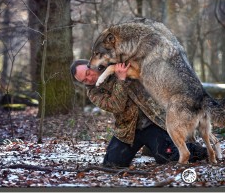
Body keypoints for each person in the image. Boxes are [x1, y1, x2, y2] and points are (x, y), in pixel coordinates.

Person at [70, 59, 208, 167]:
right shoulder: (93, 92)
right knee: (112, 164)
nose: (89, 79)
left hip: (153, 121)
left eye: (88, 73)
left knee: (167, 157)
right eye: (84, 80)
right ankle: (149, 148)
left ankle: (199, 150)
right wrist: (121, 80)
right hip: (127, 130)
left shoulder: (115, 63)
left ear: (92, 65)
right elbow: (116, 106)